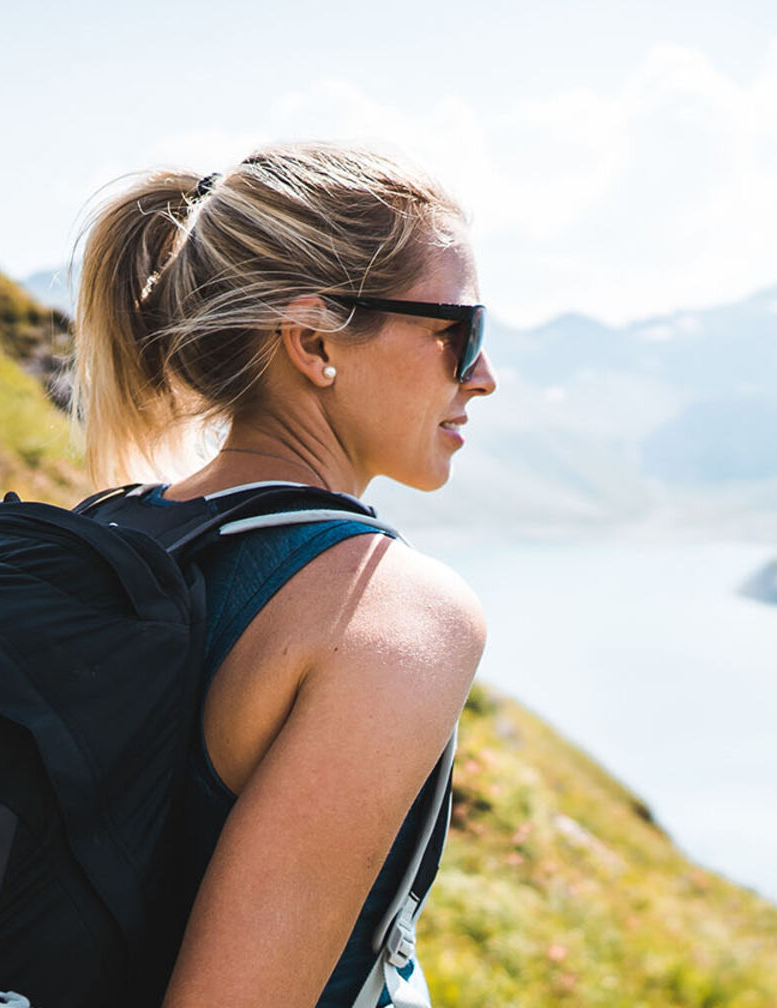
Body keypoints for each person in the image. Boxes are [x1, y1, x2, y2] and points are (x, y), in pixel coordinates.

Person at [69, 142, 497, 1007]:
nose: (483, 376)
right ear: (312, 341)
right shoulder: (390, 612)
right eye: (458, 331)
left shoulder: (99, 531)